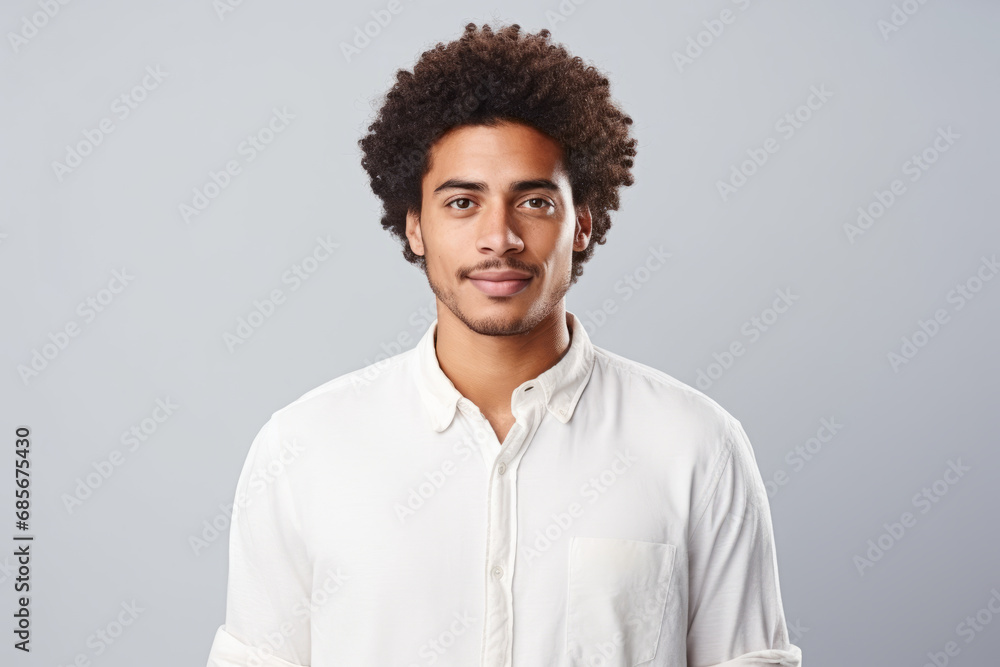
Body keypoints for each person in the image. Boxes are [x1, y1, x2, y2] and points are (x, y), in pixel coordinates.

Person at [206, 22, 802, 667]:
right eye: (463, 202)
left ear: (582, 224)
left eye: (535, 202)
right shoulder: (301, 449)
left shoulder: (695, 447)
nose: (500, 237)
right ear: (415, 227)